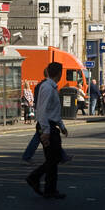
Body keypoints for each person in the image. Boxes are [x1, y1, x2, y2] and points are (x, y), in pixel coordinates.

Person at [25, 61, 67, 199]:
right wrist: (46, 131)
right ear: (59, 73)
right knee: (54, 158)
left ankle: (50, 189)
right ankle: (34, 177)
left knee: (53, 159)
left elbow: (53, 110)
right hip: (46, 126)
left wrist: (61, 125)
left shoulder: (51, 87)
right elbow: (42, 110)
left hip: (51, 125)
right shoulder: (48, 88)